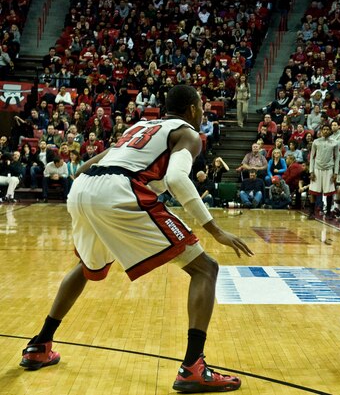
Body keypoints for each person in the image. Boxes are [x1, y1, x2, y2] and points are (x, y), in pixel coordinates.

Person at [19, 84, 253, 392]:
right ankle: (193, 367)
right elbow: (176, 178)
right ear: (193, 109)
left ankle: (39, 345)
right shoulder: (188, 134)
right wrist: (216, 230)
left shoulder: (140, 126)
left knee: (87, 267)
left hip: (84, 188)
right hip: (120, 191)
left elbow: (87, 167)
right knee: (206, 268)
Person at [308, 124, 340, 219]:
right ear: (321, 131)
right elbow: (312, 158)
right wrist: (311, 171)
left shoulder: (335, 143)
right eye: (324, 129)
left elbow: (337, 158)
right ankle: (311, 212)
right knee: (314, 192)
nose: (325, 131)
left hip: (329, 169)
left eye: (327, 129)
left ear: (330, 131)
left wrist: (335, 172)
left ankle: (329, 213)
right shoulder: (316, 142)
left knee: (329, 192)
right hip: (317, 169)